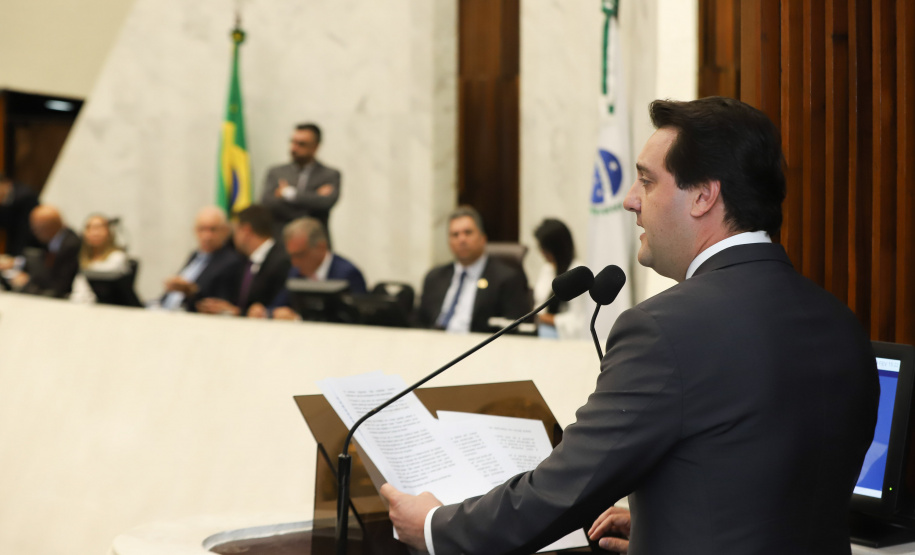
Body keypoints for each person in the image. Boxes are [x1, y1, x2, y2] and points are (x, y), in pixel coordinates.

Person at [380, 97, 880, 554]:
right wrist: (658, 528)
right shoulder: (841, 322)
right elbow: (766, 492)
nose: (629, 200)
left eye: (647, 181)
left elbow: (561, 491)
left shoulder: (665, 328)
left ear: (703, 196)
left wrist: (435, 527)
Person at [416, 206, 530, 334]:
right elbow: (419, 323)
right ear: (449, 241)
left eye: (468, 232)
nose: (461, 240)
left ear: (483, 238)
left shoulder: (507, 279)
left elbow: (516, 329)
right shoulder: (434, 278)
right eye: (455, 235)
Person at [248, 217, 367, 320]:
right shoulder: (295, 273)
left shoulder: (347, 274)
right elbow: (279, 305)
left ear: (321, 247)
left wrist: (297, 318)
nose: (294, 262)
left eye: (300, 255)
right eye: (291, 256)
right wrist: (265, 312)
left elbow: (359, 318)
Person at [196, 205, 290, 316]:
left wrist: (237, 312)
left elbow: (276, 308)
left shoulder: (282, 261)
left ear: (246, 231)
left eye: (235, 230)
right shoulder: (247, 261)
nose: (232, 237)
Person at [260, 123, 340, 244]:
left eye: (301, 144)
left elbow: (326, 203)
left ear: (315, 146)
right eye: (293, 142)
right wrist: (313, 199)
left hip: (315, 243)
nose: (294, 148)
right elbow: (268, 204)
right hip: (281, 242)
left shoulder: (329, 174)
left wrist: (288, 193)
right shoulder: (276, 173)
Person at [157, 206, 244, 311]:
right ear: (195, 231)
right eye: (201, 229)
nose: (206, 236)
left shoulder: (230, 262)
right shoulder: (195, 255)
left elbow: (217, 305)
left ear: (225, 231)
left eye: (213, 230)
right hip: (163, 309)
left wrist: (191, 291)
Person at [0, 205, 82, 297]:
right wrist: (16, 263)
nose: (34, 232)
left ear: (48, 227)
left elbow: (59, 284)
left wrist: (27, 282)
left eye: (36, 229)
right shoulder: (56, 239)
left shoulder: (70, 245)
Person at [532, 218, 591, 340]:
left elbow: (579, 320)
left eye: (544, 249)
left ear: (557, 248)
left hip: (565, 338)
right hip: (540, 329)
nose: (541, 253)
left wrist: (547, 319)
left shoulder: (578, 273)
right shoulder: (547, 269)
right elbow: (538, 302)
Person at [69, 214, 131, 304]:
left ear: (109, 232)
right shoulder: (80, 257)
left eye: (99, 228)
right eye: (89, 228)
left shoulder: (118, 257)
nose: (94, 233)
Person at [0, 173, 39, 256]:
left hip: (30, 246)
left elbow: (24, 232)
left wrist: (15, 257)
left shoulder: (25, 197)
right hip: (14, 244)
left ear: (5, 183)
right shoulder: (4, 198)